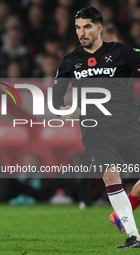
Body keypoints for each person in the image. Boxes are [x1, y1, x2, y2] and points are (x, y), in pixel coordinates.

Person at [52, 6, 140, 248]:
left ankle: (121, 212)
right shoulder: (70, 61)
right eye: (78, 27)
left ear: (99, 28)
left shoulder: (120, 52)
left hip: (129, 123)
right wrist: (65, 112)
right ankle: (134, 236)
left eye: (87, 26)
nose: (82, 32)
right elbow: (56, 98)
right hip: (96, 130)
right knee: (111, 175)